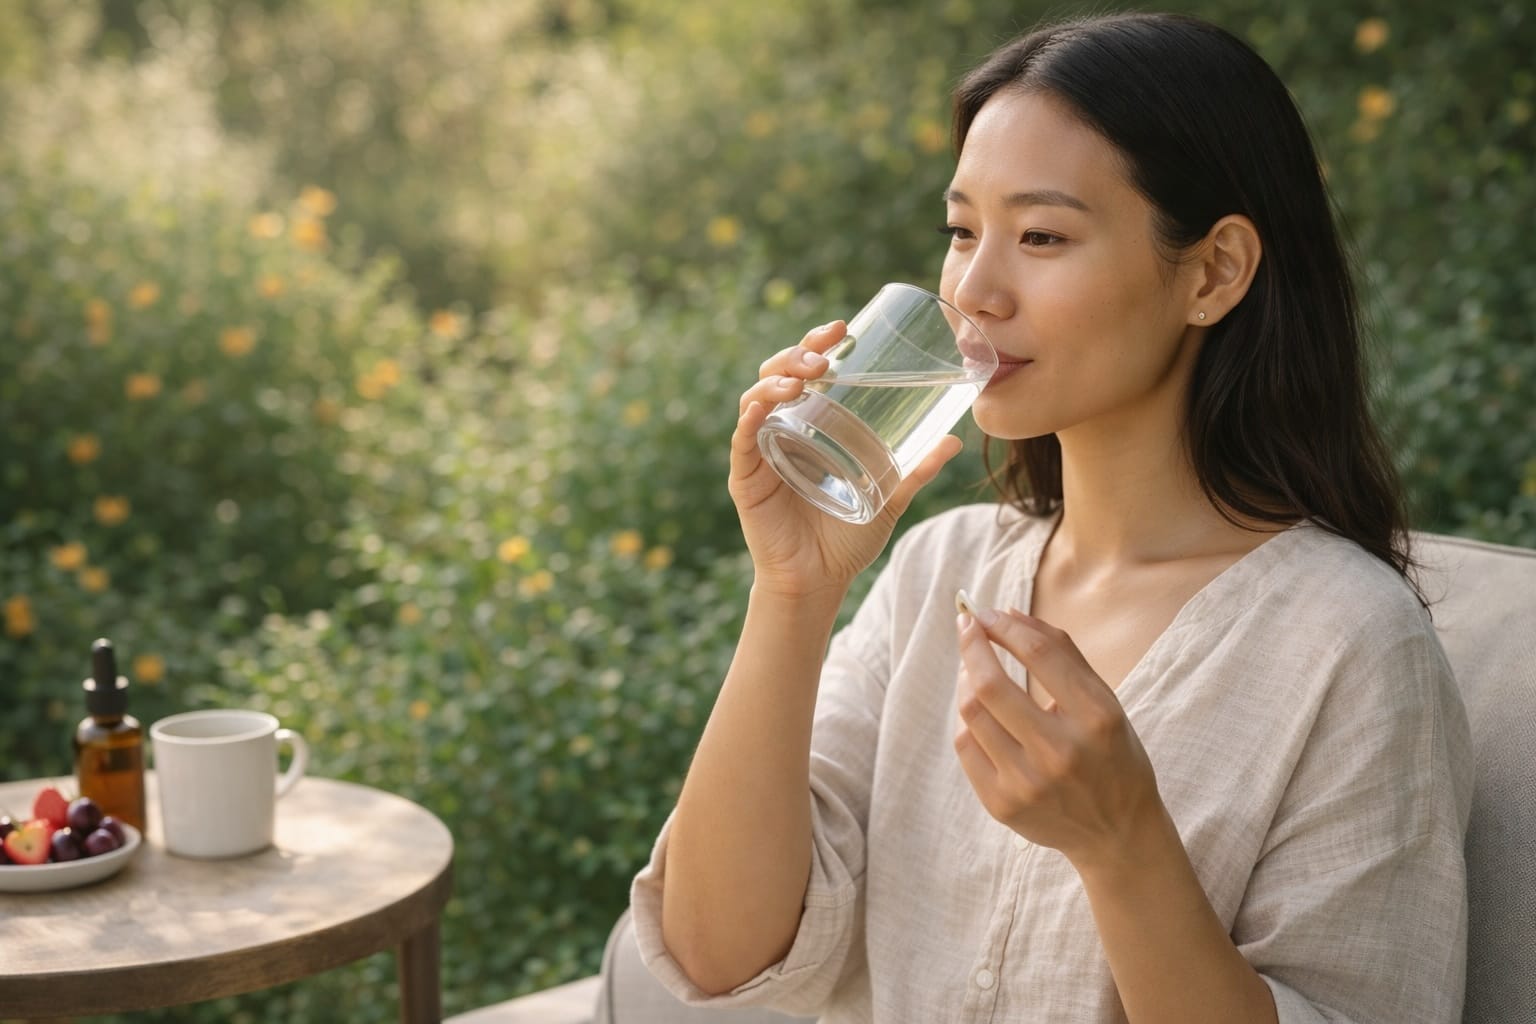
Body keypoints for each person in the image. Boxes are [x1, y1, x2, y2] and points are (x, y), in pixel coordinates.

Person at [631, 11, 1472, 1023]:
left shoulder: (1352, 644)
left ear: (1214, 273)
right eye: (961, 231)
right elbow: (718, 956)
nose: (975, 290)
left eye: (1041, 236)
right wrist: (794, 592)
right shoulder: (937, 573)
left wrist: (1124, 845)